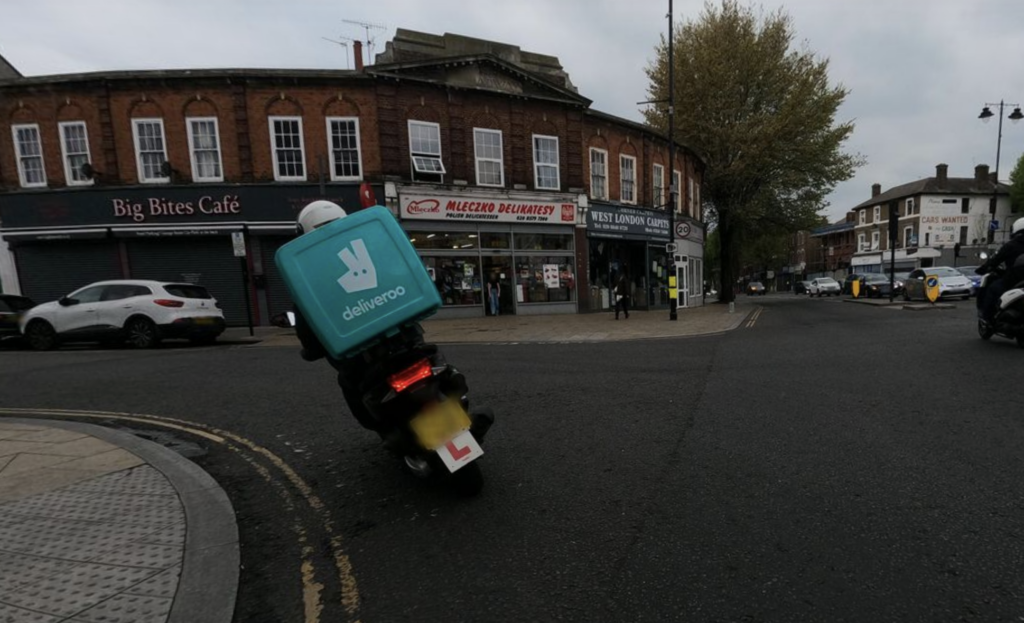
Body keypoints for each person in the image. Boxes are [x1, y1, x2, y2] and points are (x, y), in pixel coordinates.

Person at [290, 200, 436, 435]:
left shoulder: (309, 277)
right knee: (435, 362)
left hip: (361, 362)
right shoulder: (373, 250)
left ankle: (386, 430)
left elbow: (308, 329)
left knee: (350, 385)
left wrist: (311, 349)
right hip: (408, 341)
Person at [977, 218, 1024, 323]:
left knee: (992, 289)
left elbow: (995, 260)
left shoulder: (1011, 245)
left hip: (1013, 280)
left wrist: (984, 268)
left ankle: (987, 317)